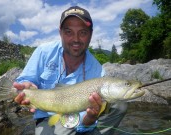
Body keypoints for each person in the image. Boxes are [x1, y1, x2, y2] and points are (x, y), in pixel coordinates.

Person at [13, 6, 127, 135]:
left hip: (80, 118)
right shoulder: (44, 52)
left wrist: (91, 118)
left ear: (91, 34)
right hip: (47, 115)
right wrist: (25, 87)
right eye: (69, 32)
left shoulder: (97, 71)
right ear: (60, 32)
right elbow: (25, 81)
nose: (76, 39)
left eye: (83, 32)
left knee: (119, 105)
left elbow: (87, 119)